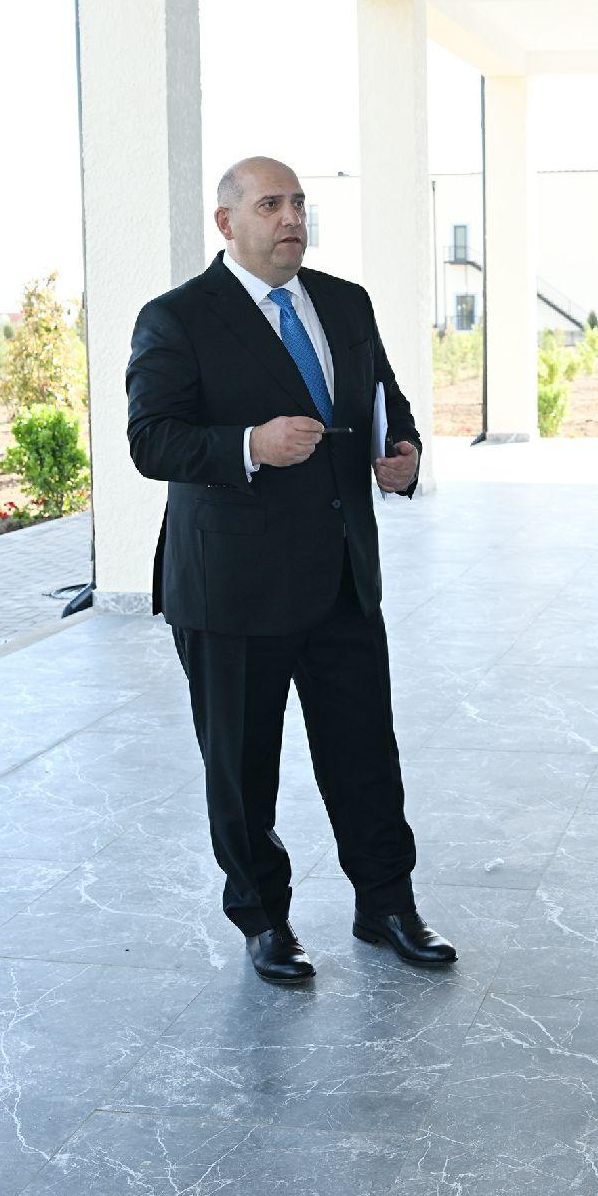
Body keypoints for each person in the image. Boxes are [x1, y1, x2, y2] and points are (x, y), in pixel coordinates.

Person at [125, 156, 453, 983]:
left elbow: (384, 400)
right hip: (232, 590)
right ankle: (264, 921)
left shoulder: (345, 303)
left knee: (366, 756)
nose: (291, 218)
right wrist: (248, 445)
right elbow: (151, 440)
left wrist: (404, 454)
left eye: (299, 203)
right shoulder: (177, 318)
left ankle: (387, 905)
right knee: (243, 771)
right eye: (270, 204)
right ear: (227, 222)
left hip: (342, 578)